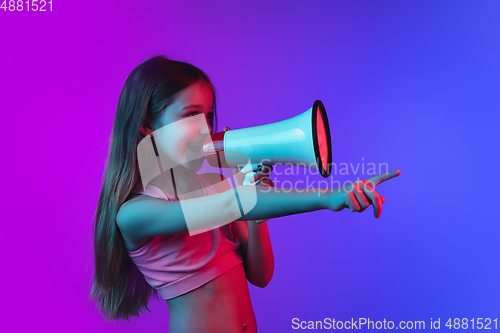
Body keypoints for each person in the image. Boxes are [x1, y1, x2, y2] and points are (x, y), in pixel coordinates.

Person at [90, 55, 401, 332]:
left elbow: (261, 274)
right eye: (190, 115)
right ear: (147, 124)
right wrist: (329, 197)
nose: (204, 129)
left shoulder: (212, 188)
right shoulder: (134, 214)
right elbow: (235, 204)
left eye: (208, 116)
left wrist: (257, 203)